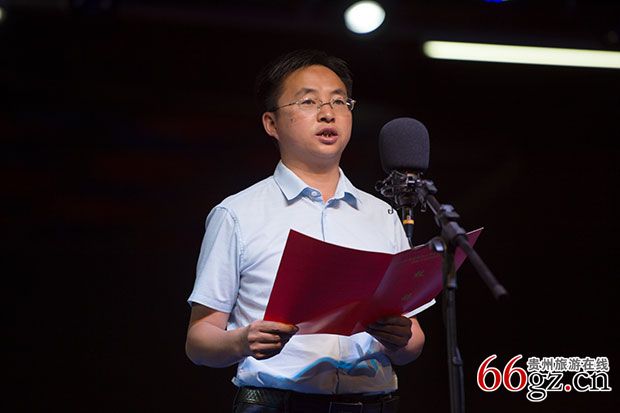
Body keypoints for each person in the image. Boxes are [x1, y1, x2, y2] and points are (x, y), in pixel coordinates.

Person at [185, 49, 432, 413]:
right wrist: (242, 341)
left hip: (374, 404)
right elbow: (199, 341)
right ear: (271, 123)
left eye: (339, 101)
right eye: (308, 101)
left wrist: (402, 337)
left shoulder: (381, 214)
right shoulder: (237, 213)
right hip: (278, 404)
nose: (327, 113)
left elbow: (412, 343)